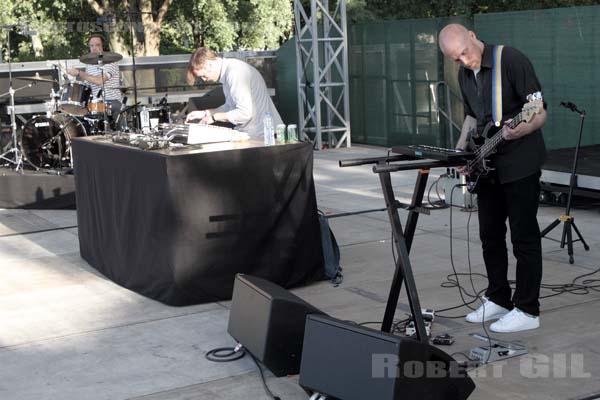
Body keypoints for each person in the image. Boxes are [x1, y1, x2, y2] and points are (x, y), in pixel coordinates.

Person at [438, 24, 547, 333]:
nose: (462, 60)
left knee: (523, 237)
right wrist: (462, 152)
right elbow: (473, 116)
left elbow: (538, 110)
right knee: (490, 236)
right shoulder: (463, 74)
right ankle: (498, 298)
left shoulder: (510, 60)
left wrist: (518, 130)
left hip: (520, 162)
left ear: (473, 35)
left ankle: (528, 309)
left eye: (464, 52)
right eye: (454, 58)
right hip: (487, 166)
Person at [185, 47, 283, 137]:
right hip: (259, 134)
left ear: (209, 64)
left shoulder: (235, 73)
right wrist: (205, 113)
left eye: (204, 76)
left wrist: (214, 117)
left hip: (264, 136)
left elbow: (244, 113)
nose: (204, 80)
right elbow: (229, 107)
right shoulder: (230, 71)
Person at [67, 34, 122, 126]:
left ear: (103, 47)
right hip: (96, 104)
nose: (94, 48)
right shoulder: (89, 65)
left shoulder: (111, 63)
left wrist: (79, 73)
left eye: (97, 45)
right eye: (91, 46)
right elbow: (87, 86)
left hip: (112, 101)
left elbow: (99, 81)